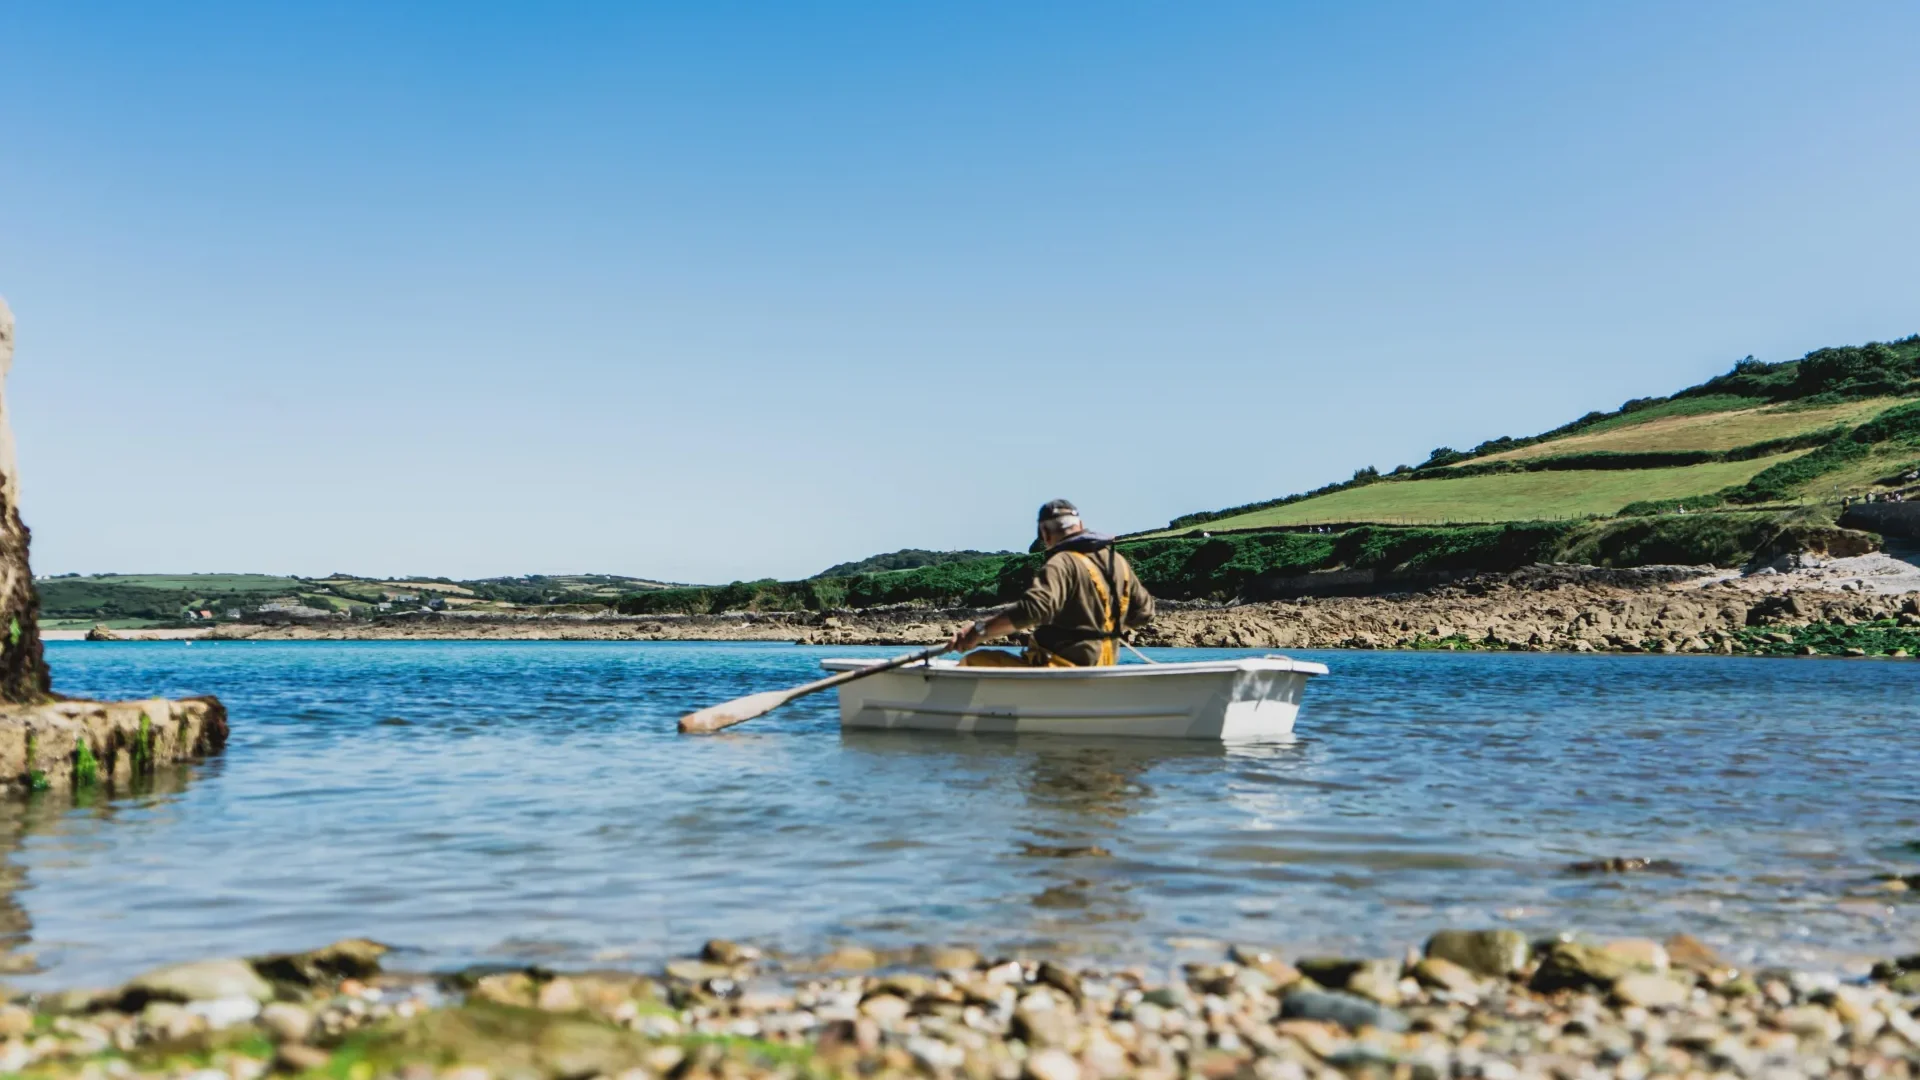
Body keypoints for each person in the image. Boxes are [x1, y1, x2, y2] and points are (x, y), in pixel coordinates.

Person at [947, 499, 1155, 667]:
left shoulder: (1061, 562)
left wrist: (978, 631)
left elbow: (1033, 609)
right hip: (1104, 666)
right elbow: (1144, 613)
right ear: (1080, 526)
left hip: (1060, 668)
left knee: (975, 661)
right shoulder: (1116, 561)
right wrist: (1099, 629)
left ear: (1044, 534)